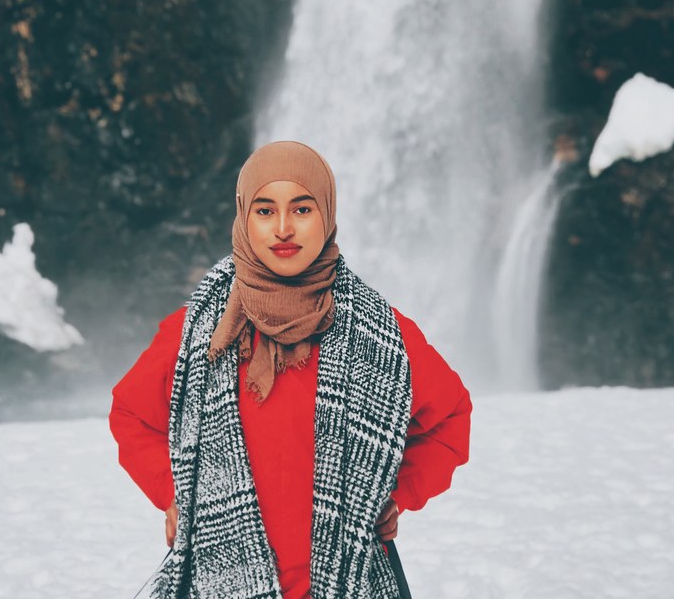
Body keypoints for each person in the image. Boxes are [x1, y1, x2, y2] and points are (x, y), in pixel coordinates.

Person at [109, 141, 471, 599]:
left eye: (302, 208)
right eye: (265, 211)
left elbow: (450, 417)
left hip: (347, 582)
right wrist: (174, 494)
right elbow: (131, 414)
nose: (283, 228)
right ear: (244, 217)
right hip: (222, 580)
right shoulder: (198, 329)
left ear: (328, 213)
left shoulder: (381, 332)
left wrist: (397, 493)